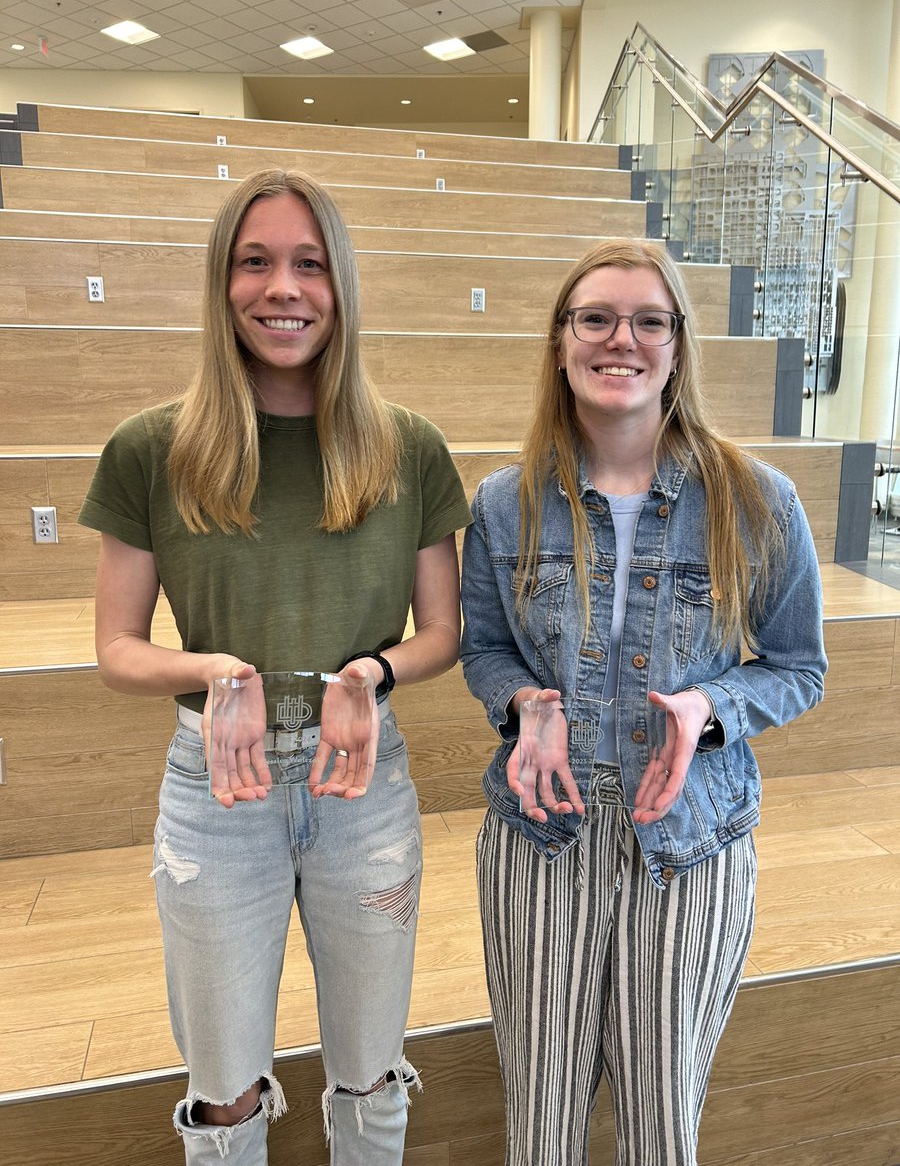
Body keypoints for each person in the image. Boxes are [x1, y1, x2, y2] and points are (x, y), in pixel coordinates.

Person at [79, 167, 471, 1166]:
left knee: (371, 1066)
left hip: (363, 785)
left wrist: (369, 675)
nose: (283, 288)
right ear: (223, 282)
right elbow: (117, 648)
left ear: (341, 284)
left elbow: (442, 631)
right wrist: (215, 670)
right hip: (218, 790)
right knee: (223, 1088)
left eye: (310, 264)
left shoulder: (408, 447)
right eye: (255, 262)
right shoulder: (151, 449)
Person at [459, 238, 827, 1166]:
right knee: (541, 1127)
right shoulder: (503, 504)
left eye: (648, 321)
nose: (620, 340)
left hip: (689, 839)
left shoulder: (759, 500)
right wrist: (524, 705)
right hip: (543, 832)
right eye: (596, 318)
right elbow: (486, 649)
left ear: (677, 345)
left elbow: (797, 667)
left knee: (662, 1128)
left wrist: (708, 707)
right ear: (560, 342)